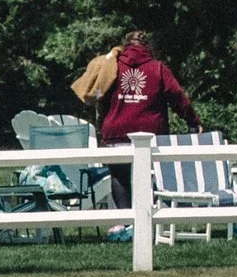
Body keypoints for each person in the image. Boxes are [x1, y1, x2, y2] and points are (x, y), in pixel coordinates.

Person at [81, 34, 192, 208]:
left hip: (116, 132)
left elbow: (99, 97)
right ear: (148, 47)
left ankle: (127, 224)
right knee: (149, 177)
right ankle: (147, 221)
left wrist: (102, 125)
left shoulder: (110, 67)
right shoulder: (158, 68)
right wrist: (193, 121)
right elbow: (177, 96)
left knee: (119, 178)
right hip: (151, 135)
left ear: (125, 46)